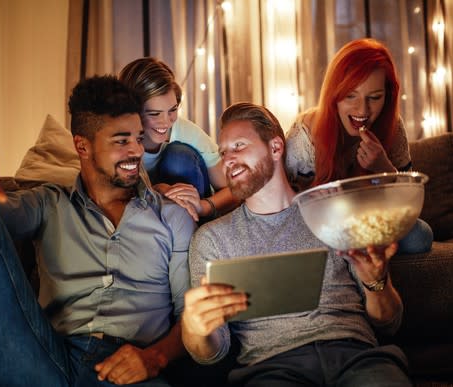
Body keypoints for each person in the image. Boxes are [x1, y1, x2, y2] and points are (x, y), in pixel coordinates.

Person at [0, 75, 196, 386]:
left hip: (130, 367)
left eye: (139, 138)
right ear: (82, 146)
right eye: (121, 140)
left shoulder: (172, 218)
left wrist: (154, 358)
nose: (137, 151)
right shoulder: (48, 204)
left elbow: (190, 316)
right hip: (44, 359)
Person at [181, 102, 412, 386]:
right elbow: (213, 354)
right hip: (272, 369)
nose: (227, 159)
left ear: (276, 148)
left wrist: (377, 283)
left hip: (356, 357)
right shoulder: (212, 239)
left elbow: (389, 323)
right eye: (223, 151)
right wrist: (194, 331)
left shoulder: (334, 214)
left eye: (239, 146)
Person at [285, 38, 433, 254]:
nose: (362, 110)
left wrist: (384, 168)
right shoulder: (304, 136)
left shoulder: (393, 124)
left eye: (374, 97)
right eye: (350, 96)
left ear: (388, 96)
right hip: (322, 225)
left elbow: (407, 207)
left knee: (420, 237)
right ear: (333, 96)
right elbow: (286, 209)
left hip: (372, 219)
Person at [119, 57, 240, 222]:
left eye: (172, 110)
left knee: (178, 156)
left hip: (195, 215)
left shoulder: (187, 132)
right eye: (154, 114)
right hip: (145, 217)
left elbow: (236, 189)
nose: (166, 122)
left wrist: (203, 206)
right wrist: (156, 191)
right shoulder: (117, 140)